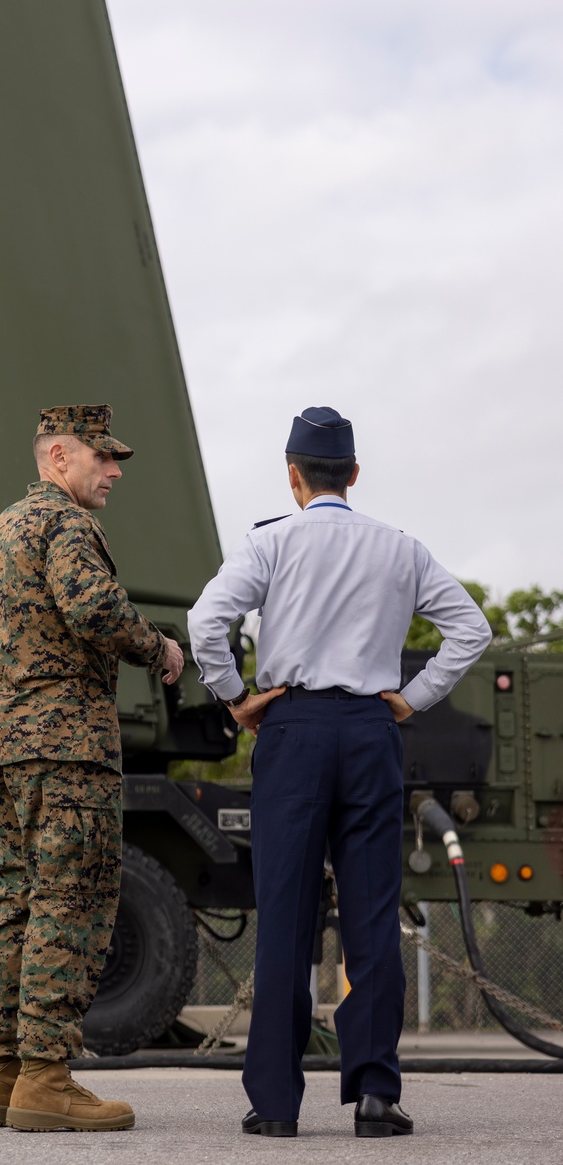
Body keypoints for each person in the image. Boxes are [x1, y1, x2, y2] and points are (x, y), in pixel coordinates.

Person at [187, 406, 492, 1139]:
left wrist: (236, 698)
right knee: (370, 914)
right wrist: (409, 698)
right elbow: (471, 629)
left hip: (290, 728)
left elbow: (205, 623)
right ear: (353, 474)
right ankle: (376, 1096)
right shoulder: (400, 548)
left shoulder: (271, 542)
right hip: (367, 731)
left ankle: (275, 1104)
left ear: (293, 476)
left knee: (286, 918)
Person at [0, 404, 184, 1133]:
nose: (112, 472)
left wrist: (3, 683)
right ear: (57, 457)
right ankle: (47, 1078)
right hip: (68, 742)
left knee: (15, 895)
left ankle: (1, 1072)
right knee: (69, 897)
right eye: (100, 458)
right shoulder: (67, 526)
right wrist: (158, 648)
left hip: (5, 741)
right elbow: (96, 608)